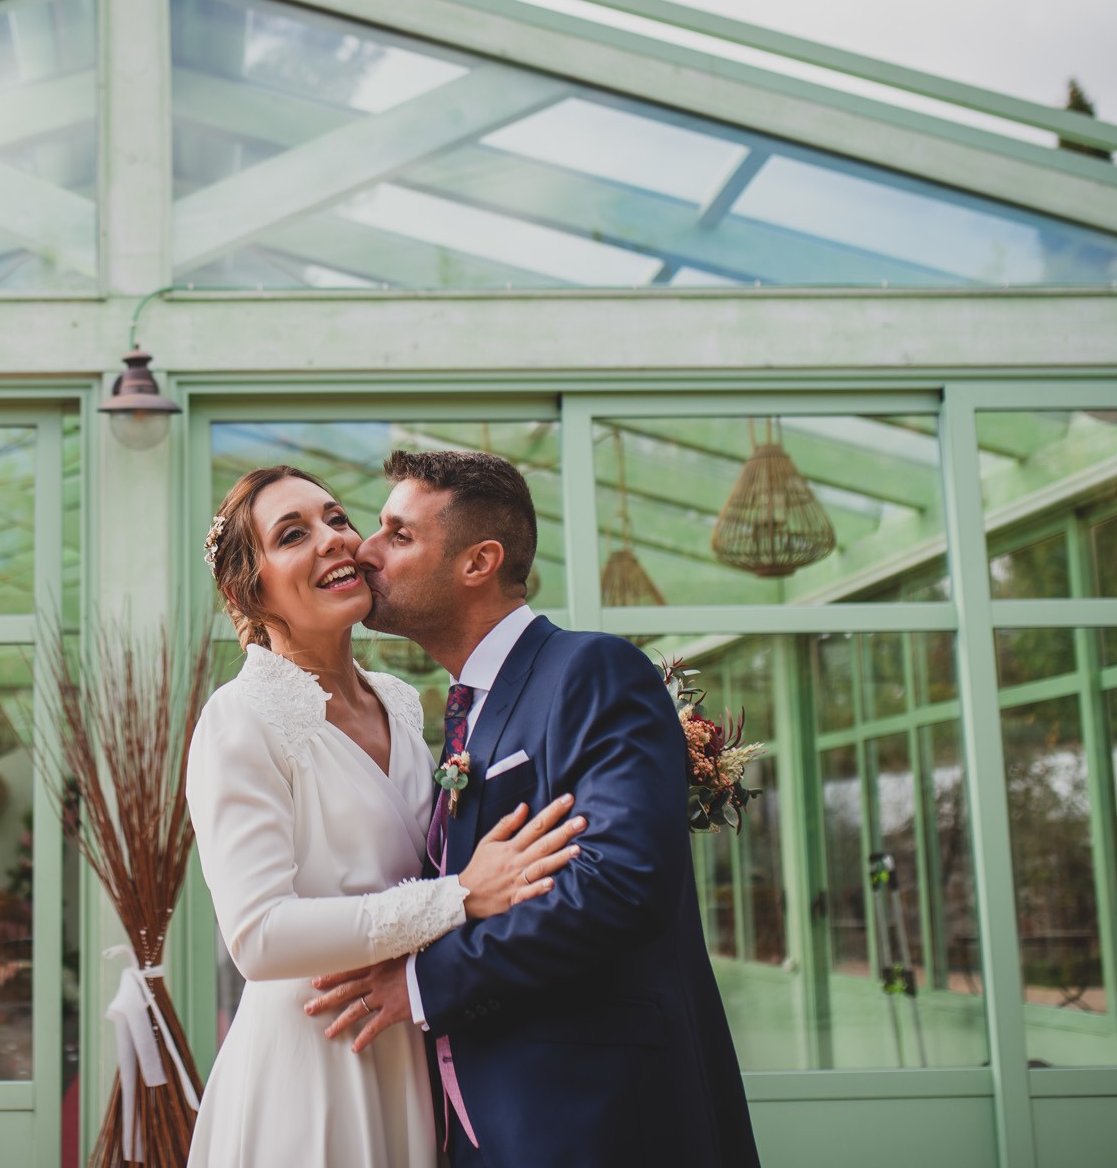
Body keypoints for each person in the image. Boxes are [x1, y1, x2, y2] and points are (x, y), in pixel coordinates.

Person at [305, 449, 761, 1167]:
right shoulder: (458, 714)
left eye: (398, 534)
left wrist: (426, 981)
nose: (364, 550)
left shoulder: (593, 673)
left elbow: (618, 883)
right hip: (479, 1131)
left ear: (478, 561)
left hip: (594, 1122)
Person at [185, 465, 584, 1168]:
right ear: (250, 588)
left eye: (337, 518)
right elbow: (259, 935)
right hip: (311, 1063)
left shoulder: (401, 700)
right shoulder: (238, 719)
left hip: (411, 1040)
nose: (335, 540)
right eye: (292, 534)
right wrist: (459, 895)